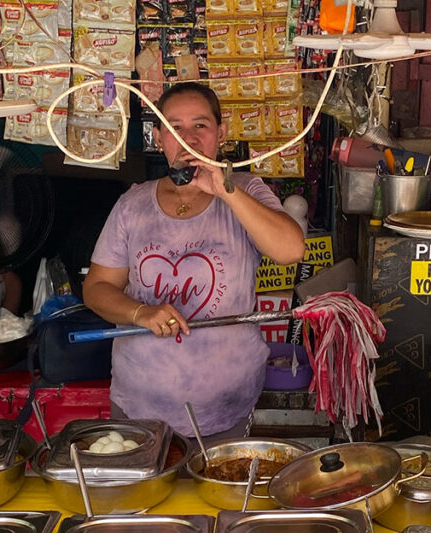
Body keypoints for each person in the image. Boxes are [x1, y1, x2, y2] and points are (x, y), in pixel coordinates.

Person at [83, 82, 306, 441]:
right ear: (159, 137)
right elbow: (97, 288)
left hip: (226, 407)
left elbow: (290, 250)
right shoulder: (133, 204)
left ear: (221, 132)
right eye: (175, 127)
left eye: (200, 125)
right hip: (139, 406)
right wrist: (141, 313)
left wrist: (225, 190)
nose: (188, 137)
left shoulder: (246, 190)